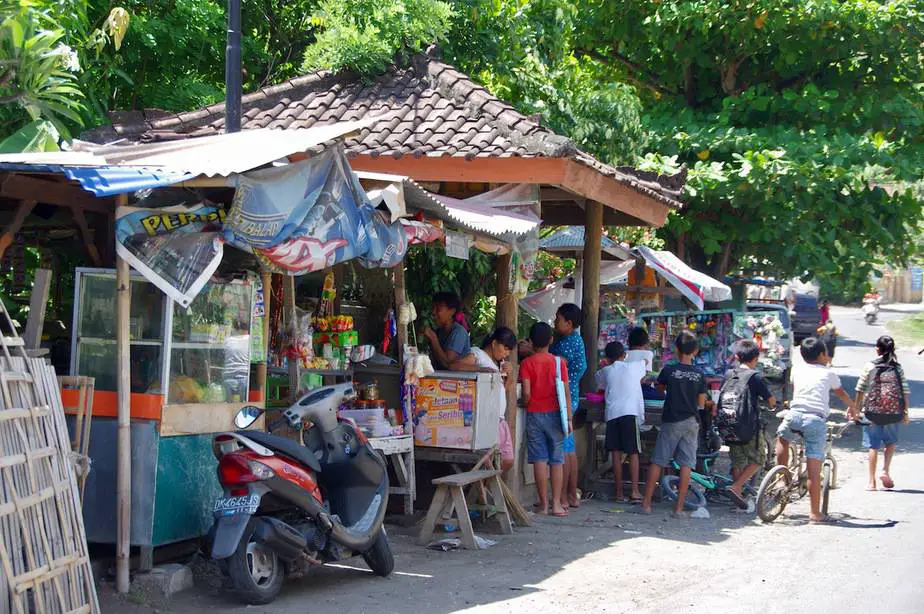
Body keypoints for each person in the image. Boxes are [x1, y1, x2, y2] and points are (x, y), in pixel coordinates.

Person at [776, 337, 855, 523]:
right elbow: (841, 393)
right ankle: (815, 513)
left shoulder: (797, 370)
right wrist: (853, 407)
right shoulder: (829, 374)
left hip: (793, 414)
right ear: (821, 355)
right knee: (814, 468)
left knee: (782, 438)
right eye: (826, 352)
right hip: (815, 419)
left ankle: (781, 476)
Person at [641, 332, 706, 517]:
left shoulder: (669, 370)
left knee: (659, 460)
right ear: (695, 351)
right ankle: (678, 509)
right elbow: (701, 403)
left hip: (671, 420)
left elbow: (660, 390)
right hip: (691, 422)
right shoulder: (700, 374)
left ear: (676, 349)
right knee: (686, 465)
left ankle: (646, 504)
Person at [520, 322, 571, 517]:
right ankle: (557, 505)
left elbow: (526, 393)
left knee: (539, 459)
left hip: (534, 414)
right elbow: (565, 393)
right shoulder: (559, 363)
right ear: (551, 340)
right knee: (556, 460)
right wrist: (569, 419)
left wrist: (527, 402)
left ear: (531, 342)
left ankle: (543, 505)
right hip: (557, 414)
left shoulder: (526, 363)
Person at [457, 327, 518, 473]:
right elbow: (456, 365)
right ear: (494, 343)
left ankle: (483, 487)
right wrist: (479, 369)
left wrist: (510, 375)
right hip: (486, 420)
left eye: (509, 350)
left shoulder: (498, 363)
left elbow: (505, 389)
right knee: (488, 462)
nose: (507, 353)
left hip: (500, 420)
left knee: (508, 460)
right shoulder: (477, 354)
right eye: (505, 348)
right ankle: (481, 492)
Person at [855, 336, 911, 491]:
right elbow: (905, 391)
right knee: (890, 442)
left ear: (877, 349)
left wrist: (855, 408)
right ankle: (885, 470)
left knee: (873, 446)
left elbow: (860, 389)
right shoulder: (897, 368)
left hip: (872, 412)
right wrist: (905, 411)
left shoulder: (869, 366)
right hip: (893, 411)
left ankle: (871, 482)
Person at [724, 340, 776, 506]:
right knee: (759, 459)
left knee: (737, 461)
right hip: (749, 426)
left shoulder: (729, 374)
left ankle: (737, 496)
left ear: (737, 357)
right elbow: (771, 400)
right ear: (756, 358)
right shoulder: (755, 377)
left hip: (730, 423)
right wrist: (772, 404)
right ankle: (737, 486)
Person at [596, 341, 647, 502]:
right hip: (629, 413)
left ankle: (618, 493)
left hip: (612, 415)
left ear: (607, 358)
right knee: (633, 453)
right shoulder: (634, 367)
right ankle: (634, 491)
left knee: (615, 455)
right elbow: (646, 361)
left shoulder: (604, 371)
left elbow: (600, 386)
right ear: (624, 355)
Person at [550, 303, 587, 509]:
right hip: (570, 397)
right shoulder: (572, 340)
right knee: (569, 449)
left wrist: (535, 352)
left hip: (564, 399)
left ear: (569, 323)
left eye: (558, 319)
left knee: (563, 450)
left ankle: (563, 497)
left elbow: (555, 364)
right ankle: (571, 495)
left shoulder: (569, 343)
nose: (555, 322)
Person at [421, 292, 471, 371]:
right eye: (433, 308)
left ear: (452, 311)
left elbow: (447, 364)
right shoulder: (440, 332)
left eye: (438, 309)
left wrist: (433, 338)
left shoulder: (459, 332)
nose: (433, 313)